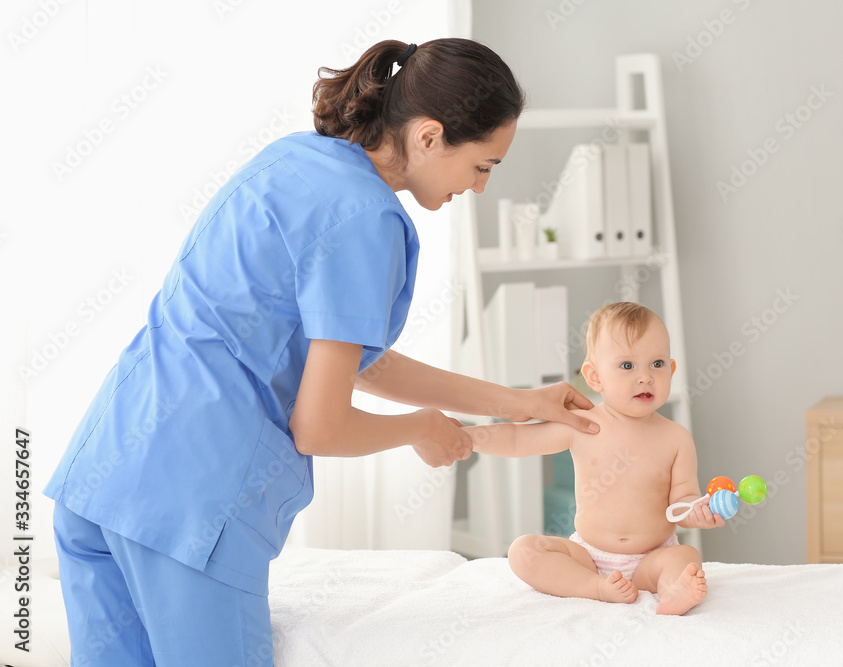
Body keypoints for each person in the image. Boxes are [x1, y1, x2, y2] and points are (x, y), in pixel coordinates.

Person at [43, 39, 600, 666]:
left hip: (106, 472)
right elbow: (321, 425)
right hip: (189, 507)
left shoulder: (293, 160)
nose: (480, 186)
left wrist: (517, 401)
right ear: (428, 137)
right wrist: (419, 430)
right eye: (483, 165)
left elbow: (353, 359)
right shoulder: (369, 219)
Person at [467, 301, 722, 615]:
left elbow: (682, 502)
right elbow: (520, 439)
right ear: (595, 377)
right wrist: (466, 439)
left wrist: (698, 513)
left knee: (686, 557)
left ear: (670, 370)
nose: (645, 377)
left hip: (651, 558)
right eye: (627, 366)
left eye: (656, 364)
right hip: (587, 557)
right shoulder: (583, 425)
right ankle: (596, 588)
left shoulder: (676, 438)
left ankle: (673, 591)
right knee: (523, 551)